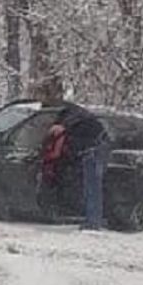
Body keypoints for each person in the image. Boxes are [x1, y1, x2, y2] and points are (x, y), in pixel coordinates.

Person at [33, 78, 110, 230]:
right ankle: (91, 219)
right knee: (89, 186)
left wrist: (62, 126)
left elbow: (75, 121)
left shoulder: (67, 111)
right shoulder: (58, 110)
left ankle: (93, 222)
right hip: (86, 148)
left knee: (92, 187)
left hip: (92, 148)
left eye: (41, 94)